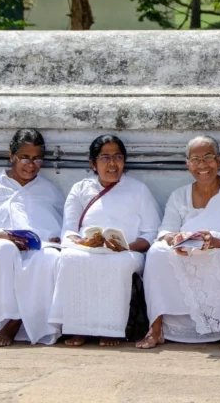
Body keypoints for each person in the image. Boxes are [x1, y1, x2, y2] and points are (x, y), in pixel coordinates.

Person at [137, 136, 220, 351]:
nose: (202, 165)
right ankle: (156, 328)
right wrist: (175, 239)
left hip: (218, 248)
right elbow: (165, 230)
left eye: (208, 158)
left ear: (219, 161)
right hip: (187, 250)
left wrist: (216, 240)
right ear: (187, 164)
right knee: (157, 252)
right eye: (195, 159)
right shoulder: (179, 195)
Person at [49, 134, 162, 347]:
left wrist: (125, 246)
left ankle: (111, 330)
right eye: (105, 158)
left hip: (127, 252)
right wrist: (82, 243)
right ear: (93, 164)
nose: (112, 164)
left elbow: (150, 233)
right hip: (87, 249)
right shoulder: (80, 189)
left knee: (117, 264)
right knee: (69, 259)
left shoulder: (138, 190)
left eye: (117, 157)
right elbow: (69, 231)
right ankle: (78, 329)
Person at [0, 128, 65, 348]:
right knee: (5, 249)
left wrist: (55, 240)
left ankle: (13, 323)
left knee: (50, 257)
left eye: (37, 159)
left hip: (36, 250)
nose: (31, 165)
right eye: (24, 158)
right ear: (11, 155)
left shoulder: (48, 190)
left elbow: (59, 227)